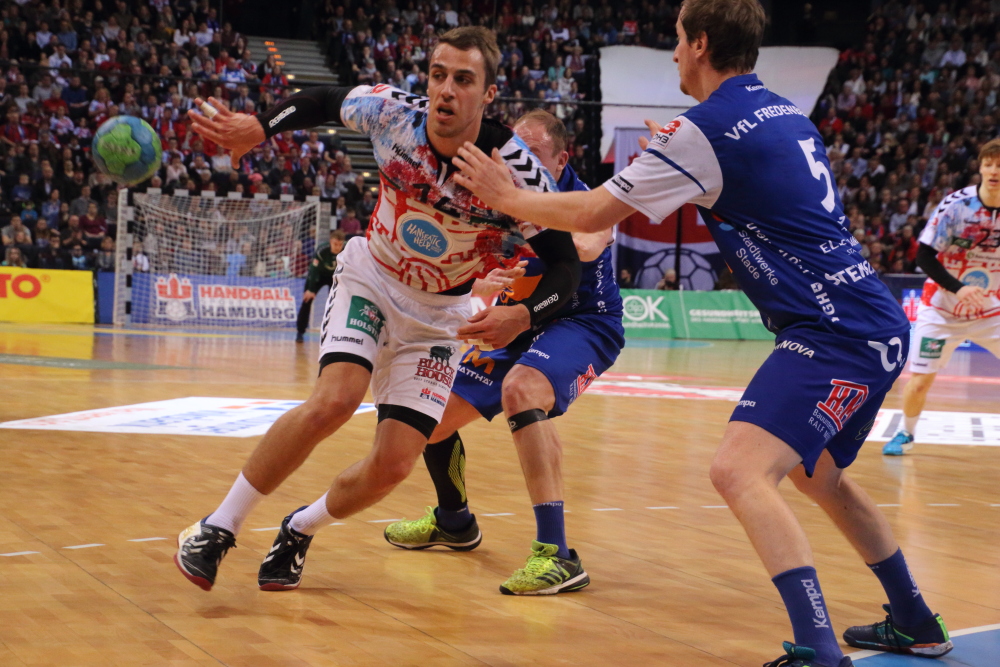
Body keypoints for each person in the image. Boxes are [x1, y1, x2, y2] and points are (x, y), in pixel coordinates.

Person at [449, 2, 951, 665]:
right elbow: (755, 188)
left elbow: (595, 210)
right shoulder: (782, 113)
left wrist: (508, 196)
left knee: (738, 469)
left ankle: (817, 650)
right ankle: (915, 617)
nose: (676, 53)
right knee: (818, 475)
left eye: (679, 42)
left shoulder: (704, 132)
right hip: (873, 322)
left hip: (834, 331)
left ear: (702, 43)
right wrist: (683, 162)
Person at [174, 27, 582, 596]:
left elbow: (566, 268)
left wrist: (523, 316)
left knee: (393, 464)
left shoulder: (512, 169)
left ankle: (299, 528)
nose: (445, 90)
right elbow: (319, 98)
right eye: (438, 74)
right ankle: (218, 526)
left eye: (463, 80)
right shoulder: (393, 113)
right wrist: (260, 126)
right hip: (373, 277)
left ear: (488, 96)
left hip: (438, 319)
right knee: (335, 400)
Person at [384, 109, 624, 595]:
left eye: (534, 153)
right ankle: (453, 520)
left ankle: (557, 555)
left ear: (561, 158)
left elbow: (582, 247)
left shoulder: (583, 198)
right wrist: (484, 278)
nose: (521, 160)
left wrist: (518, 229)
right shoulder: (495, 194)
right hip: (516, 324)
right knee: (426, 410)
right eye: (518, 150)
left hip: (582, 321)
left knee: (523, 389)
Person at [882, 139, 1000, 456]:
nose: (994, 170)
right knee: (920, 382)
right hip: (941, 311)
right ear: (980, 167)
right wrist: (959, 287)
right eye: (989, 163)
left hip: (992, 313)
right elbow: (923, 256)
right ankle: (906, 433)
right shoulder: (957, 206)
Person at [295, 229, 346, 343]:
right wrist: (311, 289)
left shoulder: (347, 249)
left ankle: (334, 333)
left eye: (340, 244)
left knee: (336, 305)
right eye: (335, 244)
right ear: (330, 242)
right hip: (318, 276)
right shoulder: (322, 250)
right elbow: (313, 270)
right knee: (307, 300)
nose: (338, 247)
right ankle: (300, 332)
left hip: (335, 278)